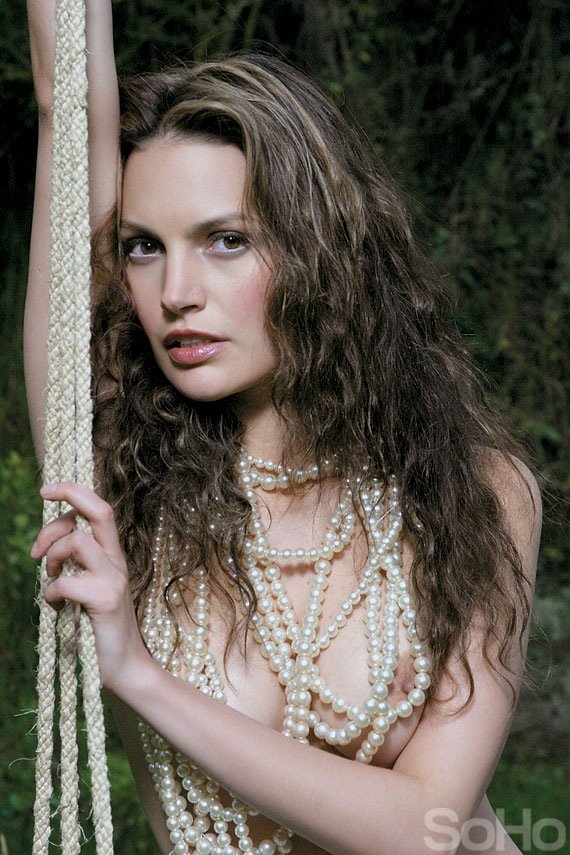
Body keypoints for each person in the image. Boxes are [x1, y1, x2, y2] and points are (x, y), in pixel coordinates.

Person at [25, 1, 541, 853]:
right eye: (145, 247)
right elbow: (67, 102)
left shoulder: (474, 491)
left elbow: (425, 829)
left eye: (225, 240)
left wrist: (141, 675)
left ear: (317, 249)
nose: (175, 292)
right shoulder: (123, 480)